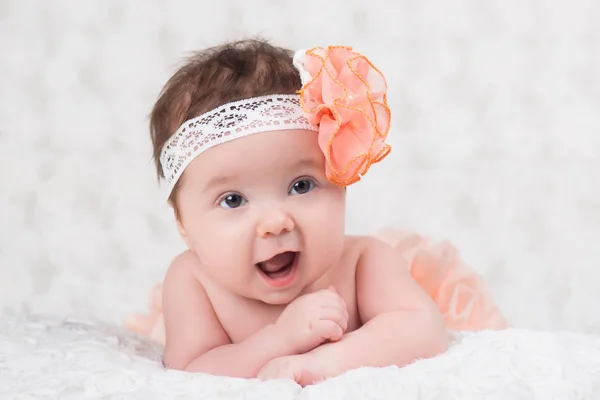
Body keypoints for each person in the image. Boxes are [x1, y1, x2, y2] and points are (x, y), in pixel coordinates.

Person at [125, 39, 507, 386]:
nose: (276, 222)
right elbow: (191, 371)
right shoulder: (193, 281)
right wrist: (281, 338)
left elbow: (422, 329)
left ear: (340, 181)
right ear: (183, 225)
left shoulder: (363, 262)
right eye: (233, 200)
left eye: (301, 185)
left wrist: (320, 364)